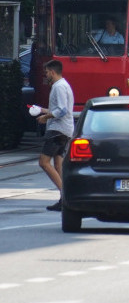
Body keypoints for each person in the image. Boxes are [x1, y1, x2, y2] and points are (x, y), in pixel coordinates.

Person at [36, 60, 74, 211]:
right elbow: (58, 108)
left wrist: (46, 117)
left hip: (58, 130)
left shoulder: (58, 87)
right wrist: (42, 110)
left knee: (44, 162)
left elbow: (62, 110)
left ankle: (66, 197)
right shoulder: (63, 85)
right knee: (58, 164)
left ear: (52, 71)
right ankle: (63, 199)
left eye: (46, 72)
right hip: (64, 129)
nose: (46, 75)